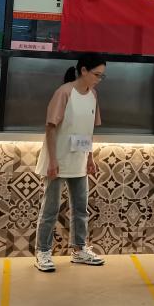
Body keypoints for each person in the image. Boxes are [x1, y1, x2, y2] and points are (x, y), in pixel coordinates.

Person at [34, 54, 106, 272]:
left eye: (101, 76)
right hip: (57, 160)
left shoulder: (93, 95)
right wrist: (52, 160)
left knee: (80, 208)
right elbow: (50, 128)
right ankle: (42, 252)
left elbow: (88, 130)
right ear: (83, 70)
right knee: (51, 208)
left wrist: (90, 158)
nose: (98, 79)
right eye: (96, 75)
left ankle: (79, 249)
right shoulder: (64, 92)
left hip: (79, 161)